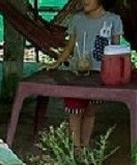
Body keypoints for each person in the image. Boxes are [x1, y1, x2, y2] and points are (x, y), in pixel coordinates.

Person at [48, 0, 123, 149]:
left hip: (100, 75)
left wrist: (118, 70)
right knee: (75, 111)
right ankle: (76, 149)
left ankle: (85, 146)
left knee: (90, 112)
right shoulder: (77, 19)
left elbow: (116, 48)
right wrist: (56, 63)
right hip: (77, 74)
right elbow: (70, 47)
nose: (84, 1)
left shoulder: (113, 20)